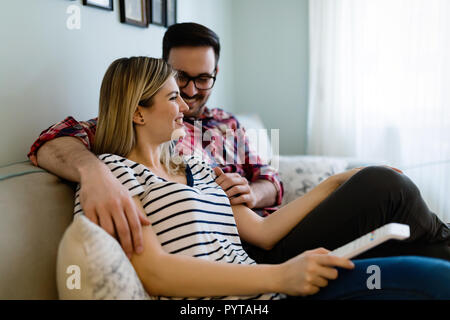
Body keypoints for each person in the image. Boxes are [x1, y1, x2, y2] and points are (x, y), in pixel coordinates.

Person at [74, 56, 450, 300]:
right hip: (246, 297)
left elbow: (263, 233)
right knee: (430, 281)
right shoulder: (112, 177)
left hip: (274, 285)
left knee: (434, 273)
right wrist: (278, 277)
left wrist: (337, 182)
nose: (186, 106)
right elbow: (154, 274)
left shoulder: (194, 165)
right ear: (138, 113)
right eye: (173, 97)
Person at [28, 23, 282, 260]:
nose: (191, 92)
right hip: (224, 253)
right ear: (166, 69)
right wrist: (93, 173)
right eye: (181, 77)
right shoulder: (143, 121)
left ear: (215, 73)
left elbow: (270, 178)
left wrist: (251, 194)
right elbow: (51, 141)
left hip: (259, 230)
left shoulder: (227, 123)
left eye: (203, 79)